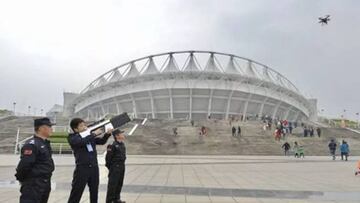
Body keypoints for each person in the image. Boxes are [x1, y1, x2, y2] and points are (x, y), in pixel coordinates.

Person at [68, 118, 113, 203]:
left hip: (94, 168)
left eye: (84, 124)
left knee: (94, 192)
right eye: (81, 126)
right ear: (75, 129)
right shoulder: (72, 137)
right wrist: (93, 134)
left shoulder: (88, 136)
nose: (84, 127)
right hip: (82, 168)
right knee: (76, 192)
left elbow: (101, 141)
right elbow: (81, 142)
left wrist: (107, 134)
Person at [15, 117, 55, 203]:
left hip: (44, 183)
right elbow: (25, 165)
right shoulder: (32, 144)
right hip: (33, 184)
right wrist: (23, 180)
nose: (52, 129)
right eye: (49, 127)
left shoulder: (44, 143)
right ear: (41, 128)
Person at [106, 129, 127, 203]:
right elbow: (108, 159)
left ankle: (116, 199)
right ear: (117, 136)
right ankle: (110, 200)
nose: (123, 135)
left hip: (122, 166)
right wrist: (112, 168)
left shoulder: (122, 144)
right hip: (115, 167)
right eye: (121, 133)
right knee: (112, 185)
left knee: (119, 184)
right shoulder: (112, 145)